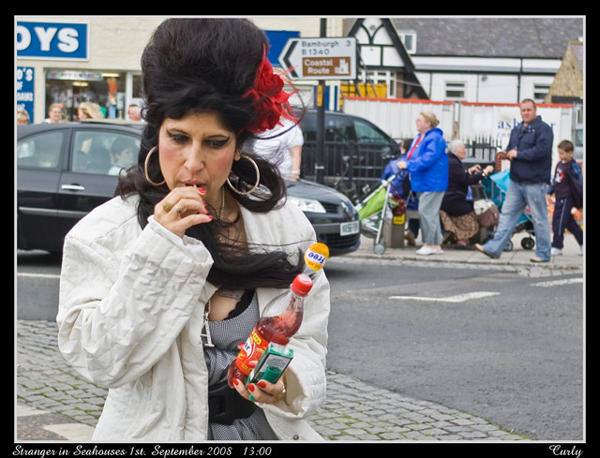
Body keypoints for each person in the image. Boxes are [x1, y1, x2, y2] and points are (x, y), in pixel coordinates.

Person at [57, 18, 330, 442]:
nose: (191, 162)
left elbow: (309, 340)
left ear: (239, 144)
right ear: (155, 134)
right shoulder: (104, 233)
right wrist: (159, 250)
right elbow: (101, 362)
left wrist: (286, 381)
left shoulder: (286, 226)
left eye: (215, 142)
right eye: (178, 137)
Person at [475, 99, 553, 262]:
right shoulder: (517, 130)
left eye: (528, 110)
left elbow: (541, 151)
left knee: (539, 219)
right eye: (523, 110)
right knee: (507, 216)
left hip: (535, 182)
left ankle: (544, 253)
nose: (525, 113)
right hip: (516, 181)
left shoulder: (543, 129)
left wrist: (518, 155)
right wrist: (506, 153)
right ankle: (494, 248)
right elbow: (513, 149)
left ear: (535, 110)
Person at [398, 111, 448, 255]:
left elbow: (427, 159)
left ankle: (431, 244)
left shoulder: (434, 138)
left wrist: (408, 165)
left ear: (428, 123)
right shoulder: (420, 137)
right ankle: (435, 244)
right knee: (430, 213)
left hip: (433, 182)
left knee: (426, 212)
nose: (417, 122)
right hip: (424, 182)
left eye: (420, 120)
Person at [440, 140, 494, 249]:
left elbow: (458, 176)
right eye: (463, 149)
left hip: (448, 198)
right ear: (456, 151)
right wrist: (484, 173)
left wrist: (469, 171)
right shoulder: (453, 162)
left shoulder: (450, 160)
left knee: (470, 205)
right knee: (473, 211)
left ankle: (460, 238)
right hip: (452, 200)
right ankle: (462, 240)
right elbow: (465, 181)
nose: (465, 151)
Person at [547, 140, 583, 256]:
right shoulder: (559, 165)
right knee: (569, 223)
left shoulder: (573, 166)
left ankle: (557, 246)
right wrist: (550, 192)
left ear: (570, 152)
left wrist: (579, 203)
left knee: (558, 222)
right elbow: (556, 181)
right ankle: (583, 242)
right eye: (559, 153)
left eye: (562, 153)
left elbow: (578, 184)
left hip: (567, 198)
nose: (560, 156)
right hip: (559, 197)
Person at [380, 138, 419, 245]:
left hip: (393, 200)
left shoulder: (393, 164)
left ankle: (392, 235)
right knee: (418, 202)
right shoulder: (417, 164)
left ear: (403, 149)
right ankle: (412, 233)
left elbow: (383, 181)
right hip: (412, 203)